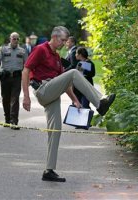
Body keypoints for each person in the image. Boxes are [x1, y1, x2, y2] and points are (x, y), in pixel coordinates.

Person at [22, 26, 115, 182]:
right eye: (63, 40)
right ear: (54, 37)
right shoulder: (40, 50)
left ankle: (49, 170)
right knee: (73, 72)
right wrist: (26, 97)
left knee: (55, 130)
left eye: (66, 41)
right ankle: (99, 103)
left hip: (53, 91)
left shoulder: (57, 58)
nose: (64, 44)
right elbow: (25, 70)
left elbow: (64, 82)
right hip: (43, 89)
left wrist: (75, 100)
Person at [0, 32, 28, 130]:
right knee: (5, 99)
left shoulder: (22, 51)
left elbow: (27, 66)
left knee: (15, 99)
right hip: (5, 77)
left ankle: (14, 121)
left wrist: (27, 78)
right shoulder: (2, 49)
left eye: (17, 39)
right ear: (10, 39)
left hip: (17, 77)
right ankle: (7, 119)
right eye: (13, 39)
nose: (15, 41)